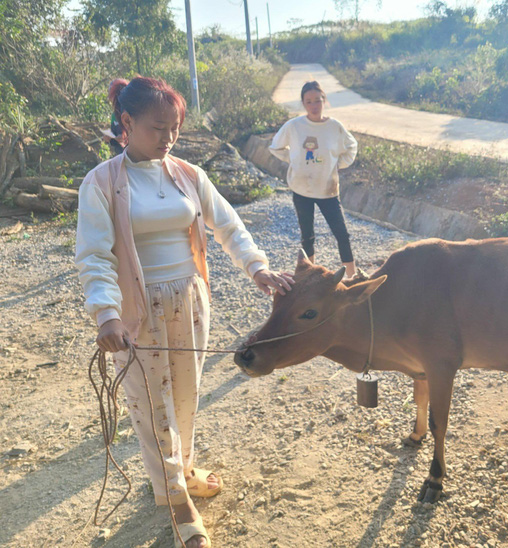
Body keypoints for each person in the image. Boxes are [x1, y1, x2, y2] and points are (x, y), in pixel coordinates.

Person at [75, 76, 294, 548]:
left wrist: (258, 268)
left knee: (185, 399)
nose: (169, 137)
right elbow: (94, 255)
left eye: (175, 128)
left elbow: (227, 225)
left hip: (190, 301)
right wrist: (106, 315)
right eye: (159, 128)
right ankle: (175, 498)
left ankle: (184, 469)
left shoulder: (189, 175)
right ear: (127, 123)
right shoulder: (101, 183)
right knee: (152, 407)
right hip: (138, 311)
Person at [269, 80, 359, 278]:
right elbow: (275, 147)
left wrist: (338, 163)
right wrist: (294, 160)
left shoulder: (335, 126)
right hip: (302, 189)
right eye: (308, 102)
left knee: (342, 235)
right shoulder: (294, 126)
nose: (314, 106)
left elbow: (352, 146)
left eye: (317, 100)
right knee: (307, 236)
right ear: (303, 103)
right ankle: (307, 276)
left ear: (324, 100)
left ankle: (352, 277)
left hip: (328, 189)